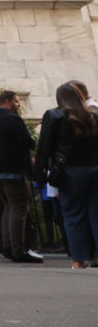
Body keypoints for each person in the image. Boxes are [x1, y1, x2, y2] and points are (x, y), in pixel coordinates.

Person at [34, 82, 98, 269]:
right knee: (96, 212)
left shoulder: (54, 116)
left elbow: (44, 148)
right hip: (95, 168)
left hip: (70, 171)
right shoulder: (93, 115)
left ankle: (79, 259)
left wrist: (38, 175)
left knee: (72, 213)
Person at [0, 90, 40, 264]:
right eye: (16, 101)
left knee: (9, 206)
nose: (19, 104)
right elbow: (27, 142)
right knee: (19, 207)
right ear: (7, 101)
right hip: (12, 169)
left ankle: (7, 246)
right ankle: (18, 250)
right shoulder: (13, 119)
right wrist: (30, 139)